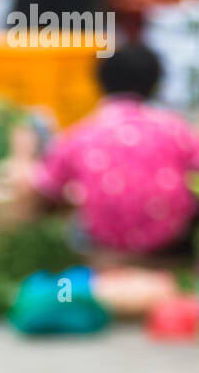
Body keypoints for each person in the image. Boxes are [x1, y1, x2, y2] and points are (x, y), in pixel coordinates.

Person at [26, 44, 199, 254]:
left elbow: (45, 187)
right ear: (156, 83)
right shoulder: (175, 129)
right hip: (170, 241)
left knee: (71, 220)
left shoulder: (81, 134)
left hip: (102, 242)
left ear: (100, 82)